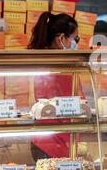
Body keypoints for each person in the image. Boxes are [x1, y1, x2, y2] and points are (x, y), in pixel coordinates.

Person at [28, 12, 82, 161]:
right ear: (61, 39)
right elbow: (73, 106)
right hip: (56, 143)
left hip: (44, 141)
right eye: (75, 38)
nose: (77, 43)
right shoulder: (61, 68)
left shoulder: (46, 62)